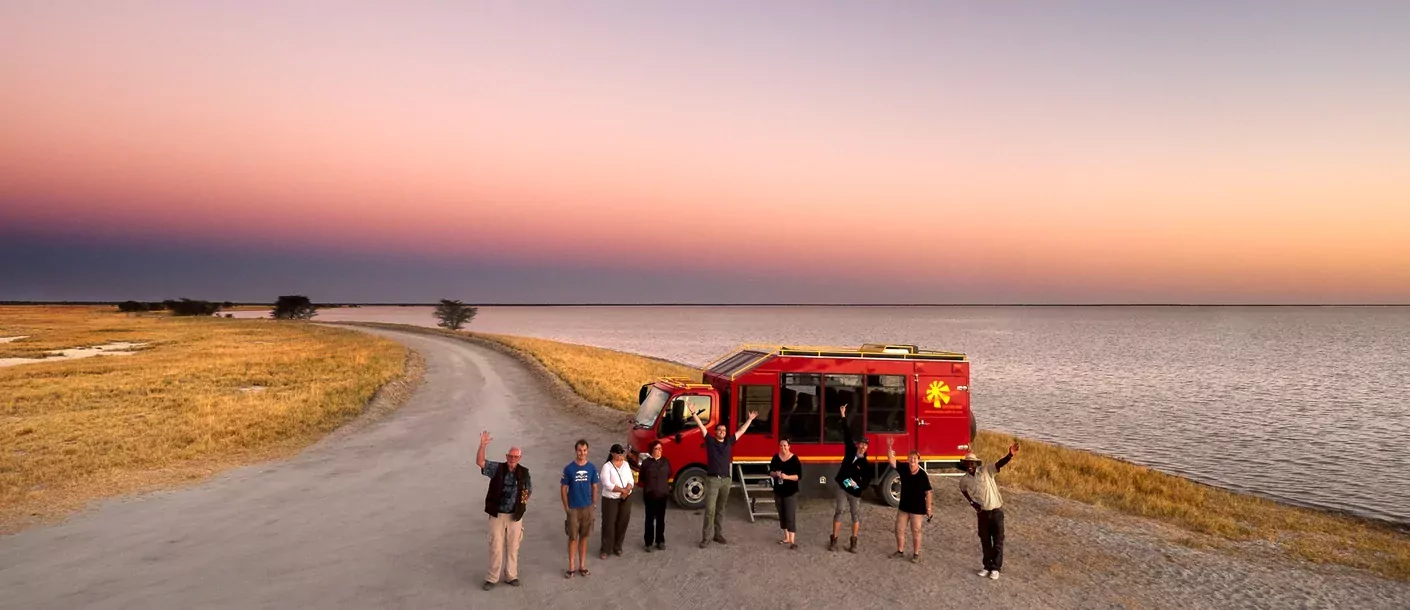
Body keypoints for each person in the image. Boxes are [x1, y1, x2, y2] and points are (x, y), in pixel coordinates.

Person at [690, 406, 758, 548]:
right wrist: (694, 413)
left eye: (724, 430)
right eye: (719, 430)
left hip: (726, 480)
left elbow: (741, 431)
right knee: (710, 509)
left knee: (720, 509)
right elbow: (701, 426)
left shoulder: (729, 442)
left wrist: (749, 420)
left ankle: (718, 534)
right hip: (713, 480)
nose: (722, 432)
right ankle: (706, 537)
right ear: (715, 432)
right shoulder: (710, 441)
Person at [477, 430, 531, 591]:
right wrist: (482, 445)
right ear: (507, 456)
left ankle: (511, 576)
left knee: (513, 547)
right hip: (497, 514)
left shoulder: (524, 472)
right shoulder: (497, 468)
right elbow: (480, 462)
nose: (513, 459)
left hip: (515, 516)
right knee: (495, 547)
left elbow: (528, 490)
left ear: (519, 458)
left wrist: (521, 505)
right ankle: (492, 578)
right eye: (510, 456)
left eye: (516, 457)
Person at [959, 441, 1020, 580]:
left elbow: (998, 464)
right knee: (985, 541)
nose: (970, 465)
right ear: (965, 464)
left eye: (972, 463)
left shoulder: (986, 470)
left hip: (996, 511)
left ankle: (996, 568)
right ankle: (987, 566)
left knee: (998, 540)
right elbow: (962, 489)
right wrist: (972, 503)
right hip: (982, 514)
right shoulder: (965, 479)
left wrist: (1009, 455)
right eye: (967, 463)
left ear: (976, 464)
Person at [830, 403, 874, 553]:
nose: (862, 447)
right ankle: (834, 540)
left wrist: (858, 485)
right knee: (839, 511)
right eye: (861, 444)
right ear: (858, 445)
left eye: (865, 446)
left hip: (854, 491)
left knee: (855, 515)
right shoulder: (850, 450)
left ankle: (853, 542)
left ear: (867, 448)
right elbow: (847, 433)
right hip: (842, 486)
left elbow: (867, 480)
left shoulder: (866, 464)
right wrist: (843, 415)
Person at [885, 437, 932, 563]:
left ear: (918, 460)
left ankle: (916, 554)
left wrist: (929, 509)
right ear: (908, 459)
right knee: (899, 528)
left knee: (916, 530)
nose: (912, 460)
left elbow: (928, 492)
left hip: (917, 508)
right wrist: (889, 447)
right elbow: (892, 461)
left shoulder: (922, 475)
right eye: (910, 458)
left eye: (915, 458)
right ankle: (900, 551)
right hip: (904, 506)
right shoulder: (904, 468)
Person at [561, 439, 600, 579]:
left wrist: (593, 504)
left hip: (587, 508)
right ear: (575, 451)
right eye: (579, 450)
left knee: (584, 537)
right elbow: (564, 489)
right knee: (572, 538)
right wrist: (567, 508)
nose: (582, 453)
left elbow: (595, 486)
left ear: (587, 451)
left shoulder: (592, 468)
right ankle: (571, 567)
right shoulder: (569, 469)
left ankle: (582, 566)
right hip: (573, 509)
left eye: (584, 450)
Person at [599, 444, 635, 559]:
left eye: (621, 453)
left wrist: (627, 490)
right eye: (618, 453)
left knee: (622, 522)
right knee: (609, 524)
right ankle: (605, 548)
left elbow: (631, 479)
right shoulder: (607, 467)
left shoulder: (626, 465)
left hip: (625, 497)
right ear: (612, 453)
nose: (620, 456)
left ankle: (618, 546)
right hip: (611, 499)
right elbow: (607, 484)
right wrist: (621, 490)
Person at [638, 440, 672, 552]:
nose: (659, 451)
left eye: (660, 449)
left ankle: (660, 541)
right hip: (650, 495)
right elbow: (642, 478)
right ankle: (648, 542)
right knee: (649, 520)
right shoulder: (646, 463)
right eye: (657, 449)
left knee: (660, 519)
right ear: (652, 450)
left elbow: (669, 474)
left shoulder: (666, 461)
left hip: (662, 495)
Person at [769, 438, 802, 550]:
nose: (783, 448)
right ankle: (786, 537)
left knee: (790, 514)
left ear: (789, 446)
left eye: (785, 445)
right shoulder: (775, 458)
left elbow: (798, 476)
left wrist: (787, 477)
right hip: (779, 491)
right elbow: (770, 472)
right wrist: (776, 473)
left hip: (790, 491)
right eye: (781, 445)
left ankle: (792, 541)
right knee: (781, 514)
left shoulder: (794, 459)